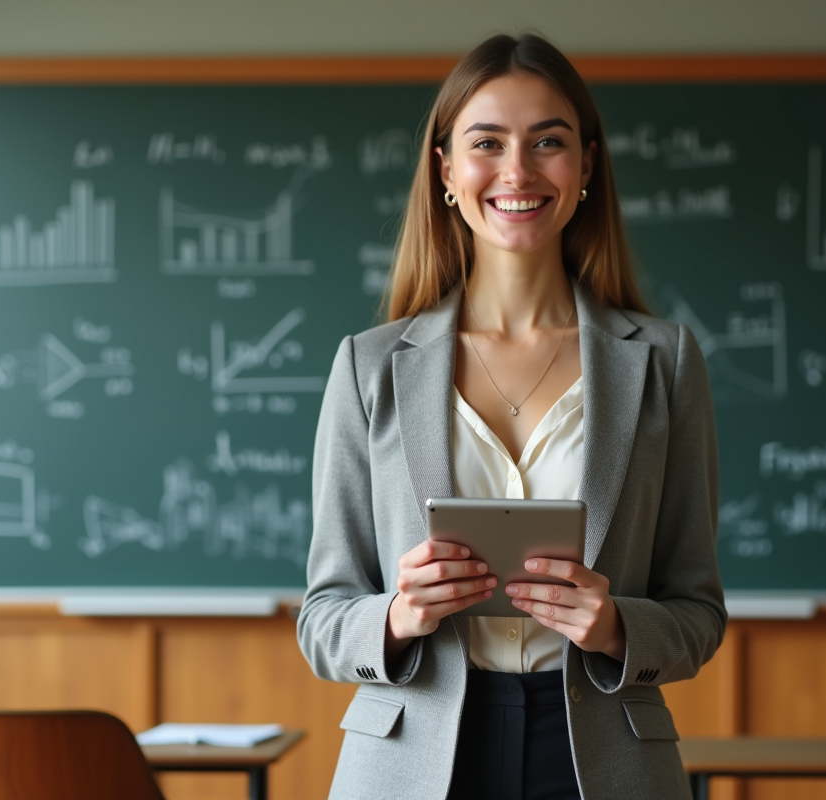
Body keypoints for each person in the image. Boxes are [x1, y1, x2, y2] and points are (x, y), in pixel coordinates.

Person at [297, 33, 726, 800]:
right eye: (486, 142)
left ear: (587, 166)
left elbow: (697, 610)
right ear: (446, 172)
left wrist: (616, 627)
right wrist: (398, 615)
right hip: (414, 761)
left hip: (604, 759)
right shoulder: (369, 366)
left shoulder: (664, 361)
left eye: (548, 142)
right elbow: (323, 618)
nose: (518, 171)